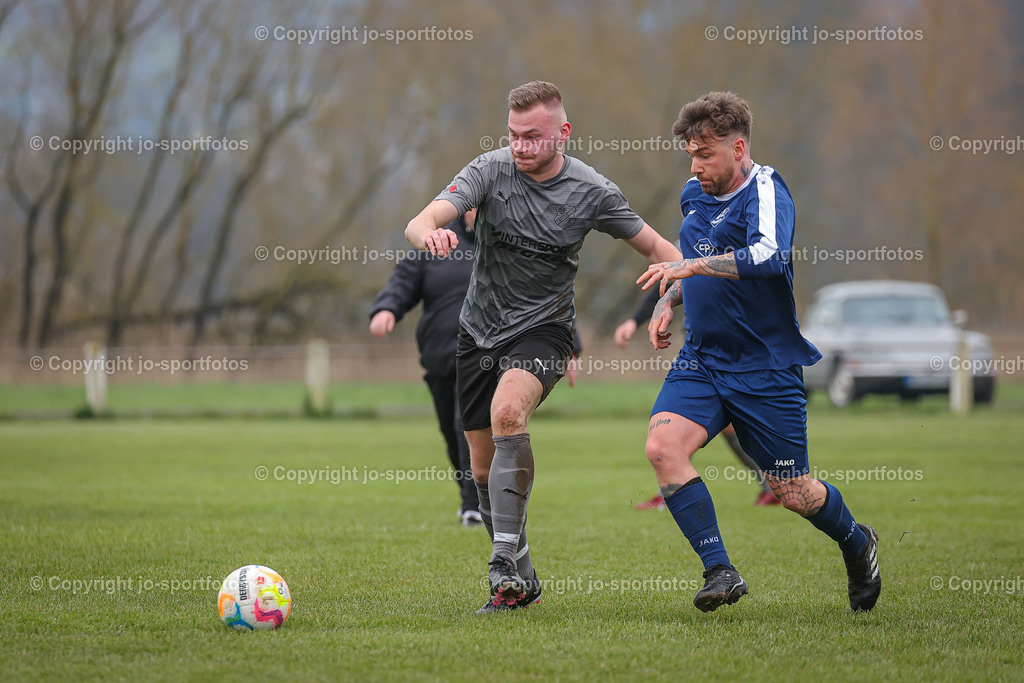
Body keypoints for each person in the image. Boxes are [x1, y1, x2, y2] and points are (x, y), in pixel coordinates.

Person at [404, 80, 683, 614]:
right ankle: (522, 578)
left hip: (545, 330)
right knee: (481, 469)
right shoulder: (489, 170)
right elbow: (423, 219)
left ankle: (501, 560)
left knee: (509, 412)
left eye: (533, 136)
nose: (521, 145)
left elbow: (662, 251)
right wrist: (429, 235)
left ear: (563, 132)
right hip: (478, 332)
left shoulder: (592, 191)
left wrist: (671, 296)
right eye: (513, 134)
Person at [637, 91, 880, 613]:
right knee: (662, 448)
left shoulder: (766, 189)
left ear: (738, 148)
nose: (695, 166)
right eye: (691, 155)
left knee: (794, 493)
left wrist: (689, 268)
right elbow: (695, 261)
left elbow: (768, 256)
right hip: (703, 359)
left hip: (765, 366)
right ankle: (719, 569)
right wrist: (668, 301)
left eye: (705, 155)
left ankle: (857, 542)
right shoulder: (693, 193)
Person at [614, 287, 779, 508]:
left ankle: (670, 493)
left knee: (688, 420)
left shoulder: (730, 268)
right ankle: (774, 486)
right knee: (723, 425)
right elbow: (666, 287)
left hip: (726, 351)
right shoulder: (685, 268)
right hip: (700, 349)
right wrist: (635, 321)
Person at [369, 209, 483, 526]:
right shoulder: (439, 241)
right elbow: (403, 281)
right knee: (450, 431)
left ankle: (474, 505)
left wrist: (570, 343)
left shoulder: (509, 242)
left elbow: (543, 289)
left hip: (486, 357)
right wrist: (386, 309)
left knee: (466, 425)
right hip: (440, 357)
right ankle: (472, 495)